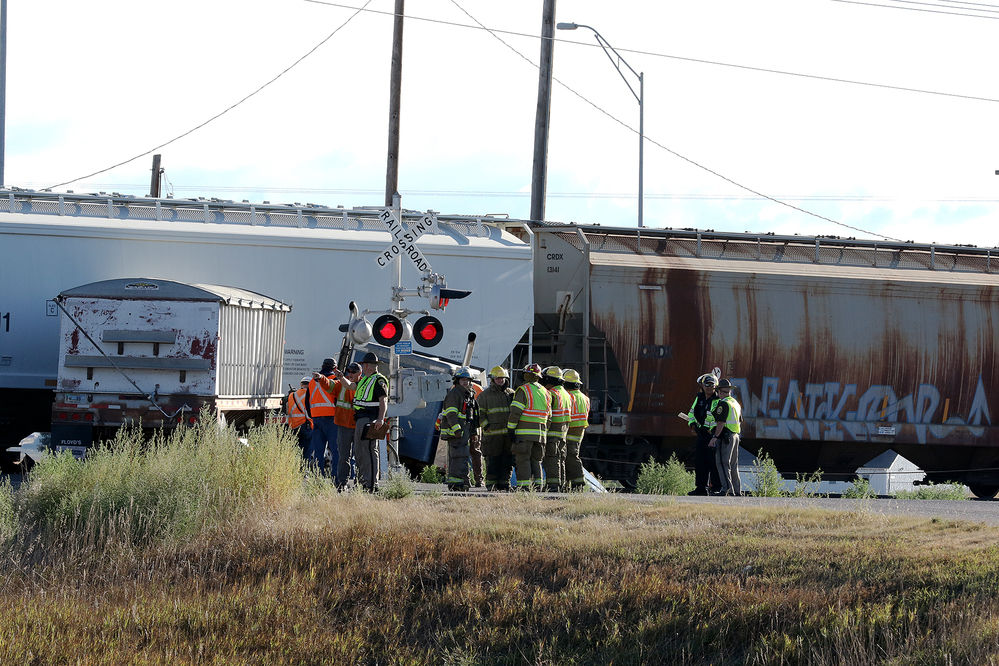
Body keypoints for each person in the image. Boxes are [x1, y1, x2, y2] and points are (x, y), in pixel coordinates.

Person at [506, 363, 551, 490]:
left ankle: (523, 487)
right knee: (536, 461)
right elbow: (549, 417)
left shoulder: (523, 390)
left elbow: (515, 412)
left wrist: (511, 429)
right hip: (541, 435)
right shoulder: (546, 392)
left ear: (526, 375)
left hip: (524, 434)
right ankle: (538, 486)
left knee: (523, 459)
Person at [348, 352, 388, 492]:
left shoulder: (378, 380)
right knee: (360, 451)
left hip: (370, 419)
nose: (362, 367)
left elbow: (383, 400)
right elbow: (351, 386)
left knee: (369, 451)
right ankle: (362, 482)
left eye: (364, 365)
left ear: (370, 366)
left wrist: (381, 419)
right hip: (361, 418)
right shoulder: (365, 379)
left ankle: (370, 484)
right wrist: (341, 377)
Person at [440, 367, 480, 491]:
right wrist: (457, 429)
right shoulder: (455, 393)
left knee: (463, 456)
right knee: (458, 456)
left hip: (465, 431)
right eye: (462, 379)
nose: (465, 382)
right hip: (456, 432)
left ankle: (463, 482)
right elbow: (451, 414)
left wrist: (473, 432)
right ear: (457, 380)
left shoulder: (468, 394)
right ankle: (456, 484)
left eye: (467, 380)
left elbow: (472, 416)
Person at [477, 365, 516, 491]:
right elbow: (479, 414)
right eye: (498, 378)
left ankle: (505, 483)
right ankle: (491, 484)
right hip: (492, 436)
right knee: (493, 461)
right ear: (492, 379)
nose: (500, 380)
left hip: (507, 437)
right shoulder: (484, 396)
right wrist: (486, 426)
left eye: (502, 378)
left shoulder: (511, 394)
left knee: (507, 461)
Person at [686, 372, 723, 495]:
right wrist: (693, 424)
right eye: (706, 385)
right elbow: (691, 413)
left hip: (712, 436)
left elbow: (718, 419)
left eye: (711, 385)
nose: (709, 387)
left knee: (713, 463)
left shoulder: (718, 400)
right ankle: (700, 488)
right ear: (702, 386)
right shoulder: (699, 398)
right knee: (700, 462)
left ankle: (716, 488)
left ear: (715, 386)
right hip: (701, 435)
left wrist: (711, 432)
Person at [709, 378, 743, 496]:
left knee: (722, 463)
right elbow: (739, 420)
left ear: (719, 392)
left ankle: (726, 489)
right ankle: (737, 491)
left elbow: (721, 422)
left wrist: (715, 437)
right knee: (733, 465)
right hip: (735, 436)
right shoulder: (735, 403)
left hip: (725, 437)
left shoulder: (723, 403)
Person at [331, 361, 361, 490]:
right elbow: (330, 386)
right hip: (344, 425)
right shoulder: (342, 383)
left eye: (353, 372)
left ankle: (359, 483)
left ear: (360, 373)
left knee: (360, 456)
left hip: (358, 425)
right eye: (349, 371)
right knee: (344, 456)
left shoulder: (363, 384)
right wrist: (322, 378)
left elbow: (350, 386)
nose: (351, 374)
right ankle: (342, 483)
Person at [306, 358, 339, 475]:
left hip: (316, 418)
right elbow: (337, 400)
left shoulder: (311, 382)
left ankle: (318, 479)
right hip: (332, 419)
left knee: (318, 451)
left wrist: (312, 416)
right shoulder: (335, 380)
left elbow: (307, 401)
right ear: (334, 368)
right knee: (336, 451)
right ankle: (336, 479)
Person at [540, 366, 571, 492]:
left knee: (552, 458)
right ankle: (561, 484)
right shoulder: (566, 394)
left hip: (552, 432)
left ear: (549, 380)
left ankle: (553, 485)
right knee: (561, 459)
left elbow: (548, 415)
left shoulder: (552, 393)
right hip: (563, 433)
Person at [562, 368, 589, 490]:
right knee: (570, 456)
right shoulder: (584, 397)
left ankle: (578, 483)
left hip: (570, 430)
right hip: (579, 431)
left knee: (570, 456)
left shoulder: (568, 396)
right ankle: (570, 483)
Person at [286, 376, 313, 455]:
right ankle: (304, 467)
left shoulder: (292, 395)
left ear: (301, 384)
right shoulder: (311, 395)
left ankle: (296, 467)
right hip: (306, 426)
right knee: (307, 452)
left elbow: (287, 409)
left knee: (296, 452)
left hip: (294, 426)